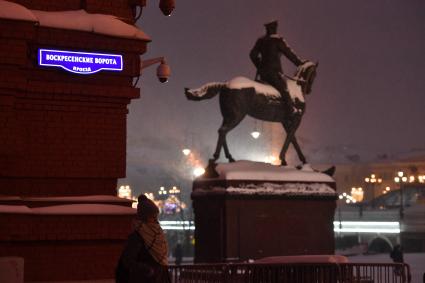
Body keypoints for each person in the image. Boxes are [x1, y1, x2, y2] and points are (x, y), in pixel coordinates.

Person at [250, 20, 304, 117]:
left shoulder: (260, 41)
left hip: (263, 74)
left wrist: (260, 66)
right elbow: (290, 54)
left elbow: (252, 55)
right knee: (284, 89)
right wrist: (300, 63)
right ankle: (290, 109)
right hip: (274, 74)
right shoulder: (278, 41)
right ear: (274, 28)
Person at [116, 194, 170, 283]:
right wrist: (147, 270)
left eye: (155, 216)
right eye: (152, 216)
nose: (155, 219)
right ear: (144, 217)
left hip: (160, 277)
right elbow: (128, 260)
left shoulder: (158, 233)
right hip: (145, 279)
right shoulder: (137, 236)